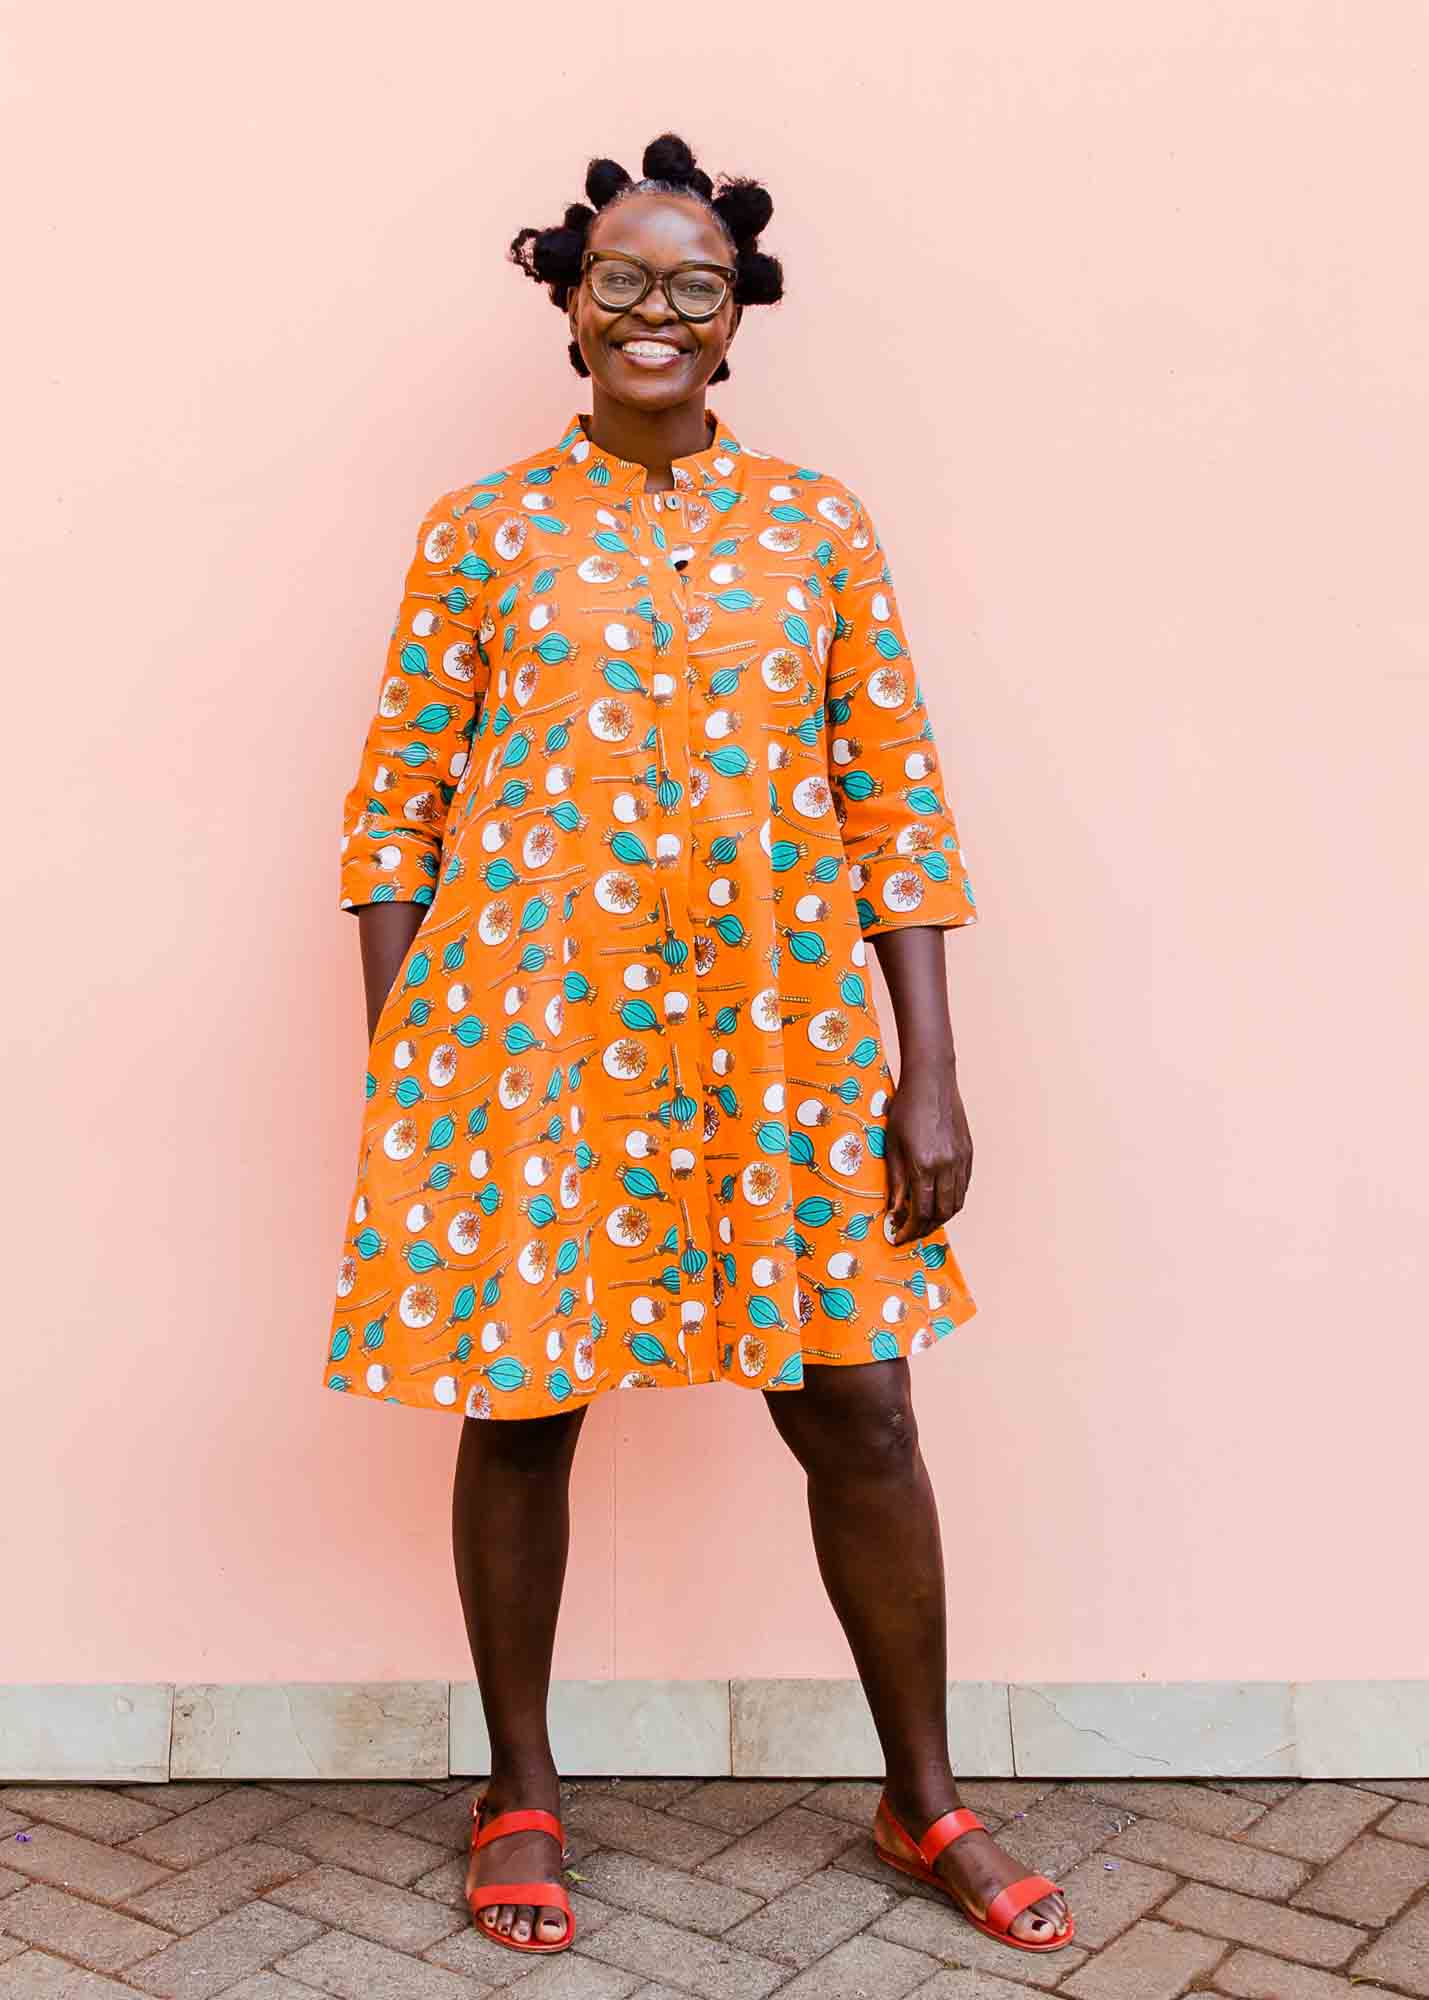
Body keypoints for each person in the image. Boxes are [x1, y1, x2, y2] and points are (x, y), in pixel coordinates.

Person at [325, 131, 1074, 1961]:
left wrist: (932, 1069)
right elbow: (390, 821)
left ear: (735, 322)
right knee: (521, 1406)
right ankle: (519, 1788)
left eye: (693, 287)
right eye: (621, 281)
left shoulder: (817, 528)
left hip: (783, 1049)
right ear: (567, 306)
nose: (654, 313)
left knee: (862, 1407)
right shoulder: (482, 533)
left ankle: (922, 1794)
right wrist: (406, 1067)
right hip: (529, 1054)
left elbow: (896, 809)